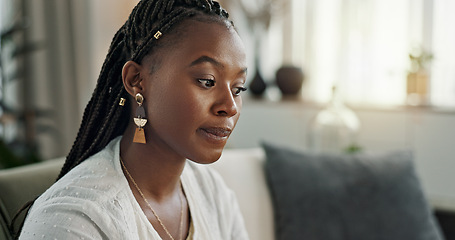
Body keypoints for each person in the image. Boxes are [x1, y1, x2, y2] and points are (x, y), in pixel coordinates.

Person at [17, 0, 249, 239]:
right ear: (137, 80)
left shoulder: (212, 193)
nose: (230, 106)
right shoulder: (73, 220)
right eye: (207, 81)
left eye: (238, 88)